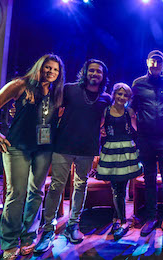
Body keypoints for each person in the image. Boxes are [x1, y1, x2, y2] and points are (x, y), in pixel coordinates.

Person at [0, 54, 65, 260]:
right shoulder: (21, 84)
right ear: (40, 66)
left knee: (36, 193)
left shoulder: (57, 91)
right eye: (48, 67)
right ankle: (10, 241)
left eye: (55, 70)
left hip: (44, 148)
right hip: (17, 147)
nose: (51, 72)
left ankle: (29, 237)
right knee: (16, 193)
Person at [35, 59, 111, 253]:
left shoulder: (105, 98)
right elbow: (51, 109)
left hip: (87, 149)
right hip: (64, 146)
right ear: (85, 72)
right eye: (91, 71)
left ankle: (73, 224)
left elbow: (107, 120)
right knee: (56, 187)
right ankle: (48, 229)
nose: (95, 74)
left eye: (98, 72)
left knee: (80, 186)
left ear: (103, 76)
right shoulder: (69, 89)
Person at [129, 50, 163, 236]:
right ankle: (150, 216)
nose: (156, 64)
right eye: (153, 61)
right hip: (146, 139)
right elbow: (131, 110)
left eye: (159, 61)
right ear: (147, 62)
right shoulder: (138, 84)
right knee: (149, 178)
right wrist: (138, 131)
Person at [96, 83, 142, 240]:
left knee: (122, 186)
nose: (122, 97)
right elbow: (98, 127)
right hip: (111, 151)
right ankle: (120, 220)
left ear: (129, 98)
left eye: (125, 95)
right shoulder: (106, 111)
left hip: (127, 151)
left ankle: (119, 219)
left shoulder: (129, 112)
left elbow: (136, 130)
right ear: (114, 94)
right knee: (116, 188)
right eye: (119, 94)